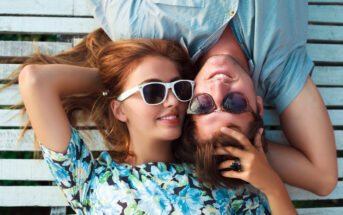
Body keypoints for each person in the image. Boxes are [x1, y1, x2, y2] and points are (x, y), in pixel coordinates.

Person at [15, 35, 297, 214]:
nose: (173, 101)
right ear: (119, 109)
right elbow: (35, 80)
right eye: (153, 92)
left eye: (179, 89)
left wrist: (273, 186)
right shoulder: (87, 181)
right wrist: (118, 82)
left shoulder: (220, 184)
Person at [88, 0, 338, 195]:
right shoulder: (280, 67)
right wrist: (251, 154)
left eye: (204, 105)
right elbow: (323, 179)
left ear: (186, 102)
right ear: (258, 107)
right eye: (236, 104)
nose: (219, 87)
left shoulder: (147, 30)